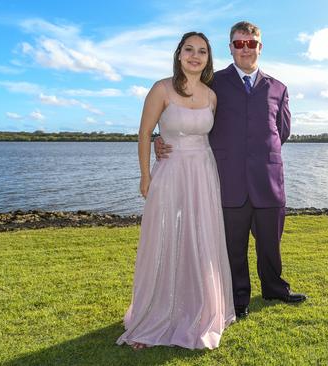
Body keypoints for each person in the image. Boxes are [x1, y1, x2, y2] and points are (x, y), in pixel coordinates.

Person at [155, 21, 307, 320]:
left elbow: (282, 131)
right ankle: (238, 298)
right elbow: (187, 115)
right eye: (239, 44)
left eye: (251, 43)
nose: (245, 49)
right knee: (232, 247)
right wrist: (162, 138)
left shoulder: (278, 88)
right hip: (227, 179)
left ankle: (275, 288)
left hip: (268, 179)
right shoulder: (213, 83)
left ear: (260, 47)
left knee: (270, 244)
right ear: (231, 48)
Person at [116, 31, 235, 350]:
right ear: (179, 54)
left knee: (201, 238)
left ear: (208, 59)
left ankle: (200, 310)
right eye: (189, 50)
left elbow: (215, 136)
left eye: (202, 51)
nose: (195, 56)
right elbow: (144, 134)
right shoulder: (161, 88)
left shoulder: (211, 95)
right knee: (166, 237)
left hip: (203, 172)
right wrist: (145, 176)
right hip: (170, 172)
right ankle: (152, 316)